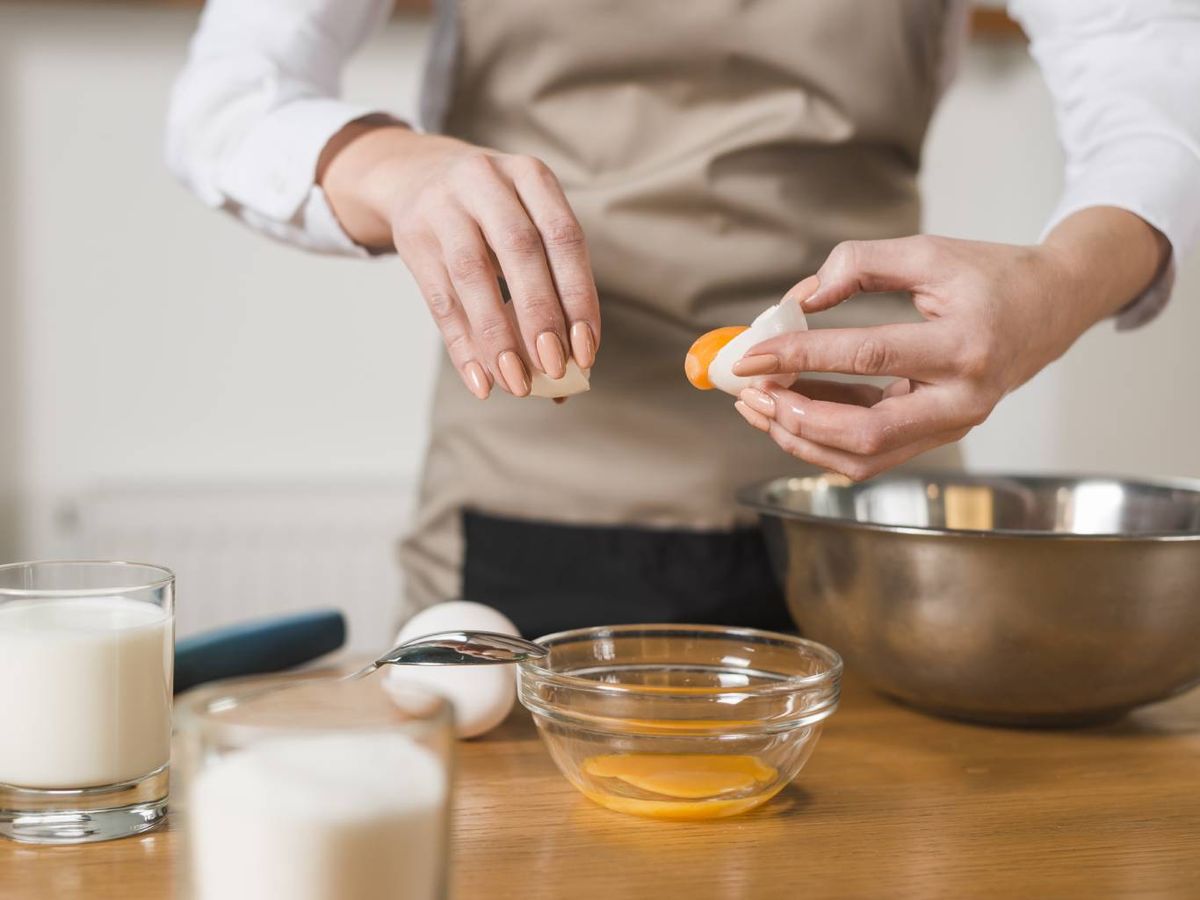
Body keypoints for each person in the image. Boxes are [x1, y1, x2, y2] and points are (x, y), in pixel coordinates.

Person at [167, 1, 1200, 636]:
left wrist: (1054, 287)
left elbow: (1154, 83)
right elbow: (230, 95)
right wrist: (393, 167)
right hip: (524, 511)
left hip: (874, 520)